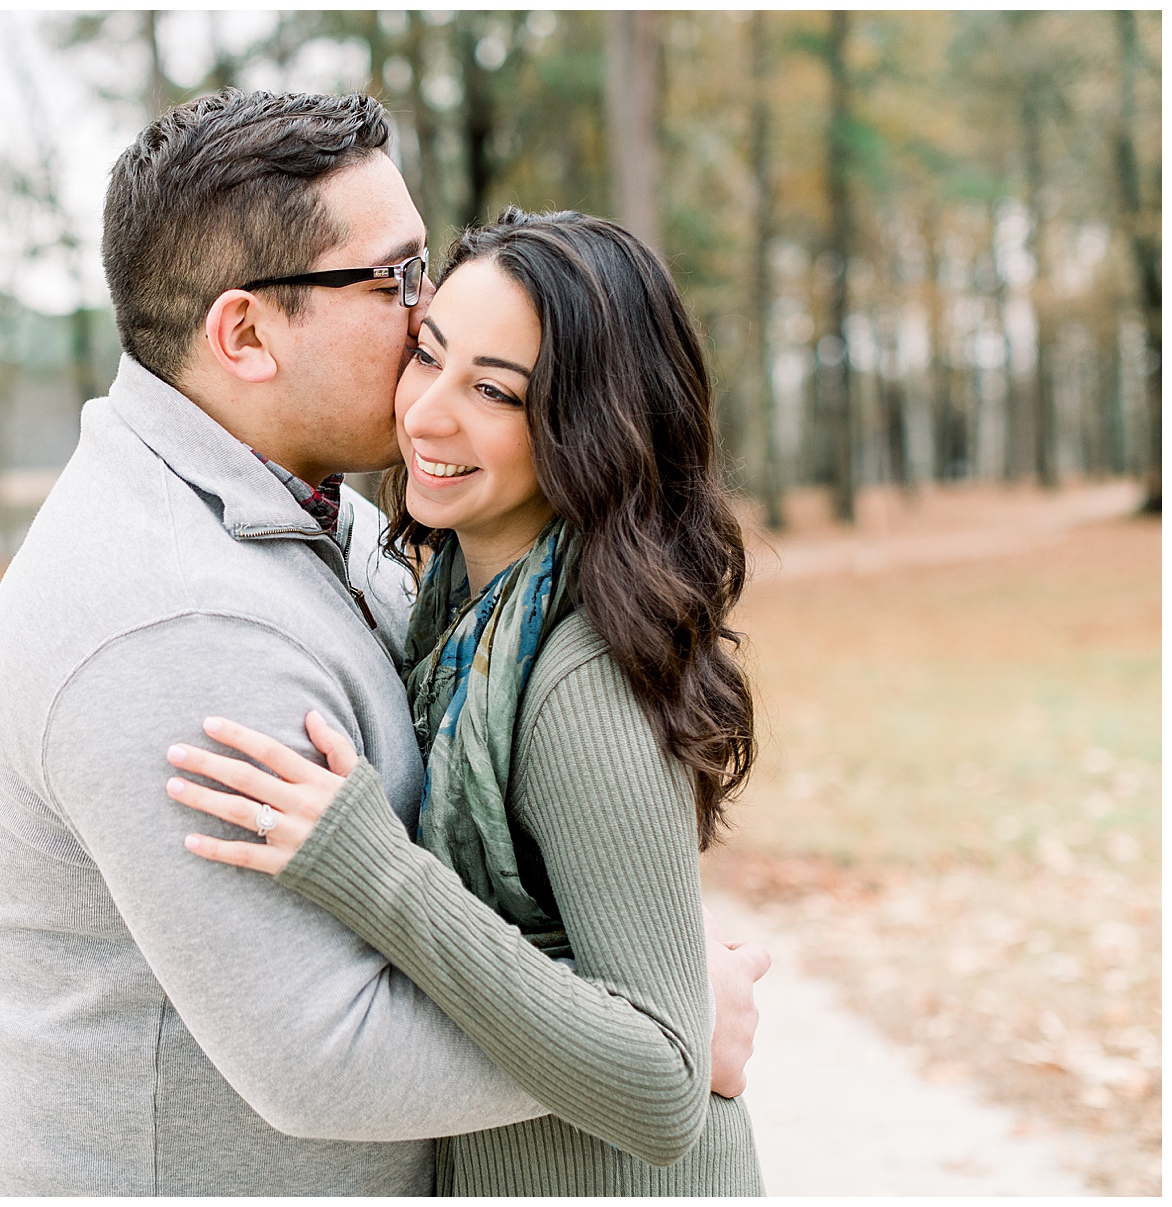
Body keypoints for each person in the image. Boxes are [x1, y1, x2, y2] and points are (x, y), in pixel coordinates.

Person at [0, 90, 766, 1195]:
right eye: (394, 280)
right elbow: (333, 1052)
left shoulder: (326, 517)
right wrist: (661, 1029)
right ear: (245, 334)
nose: (426, 314)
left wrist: (651, 996)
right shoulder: (180, 623)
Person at [168, 208, 766, 1194]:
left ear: (591, 428)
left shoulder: (577, 678)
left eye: (493, 390)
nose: (426, 414)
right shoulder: (456, 617)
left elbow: (664, 1081)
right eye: (428, 356)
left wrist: (376, 871)